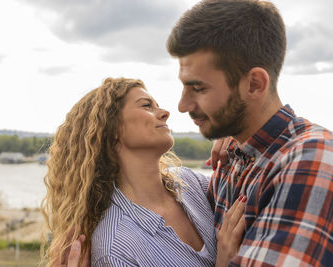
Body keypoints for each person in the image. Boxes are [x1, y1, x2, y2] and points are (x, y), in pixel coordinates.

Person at [166, 0, 333, 265]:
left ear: (254, 85)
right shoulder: (231, 158)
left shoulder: (311, 158)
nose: (182, 105)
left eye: (198, 88)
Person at [42, 77, 245, 267]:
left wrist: (238, 139)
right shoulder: (116, 250)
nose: (165, 112)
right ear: (111, 130)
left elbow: (255, 181)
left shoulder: (189, 181)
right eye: (146, 105)